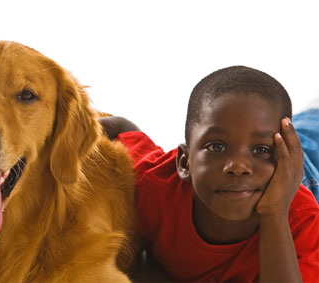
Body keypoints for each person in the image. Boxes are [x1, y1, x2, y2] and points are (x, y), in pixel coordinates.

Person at [100, 66, 319, 282]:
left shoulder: (301, 218)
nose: (238, 166)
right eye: (217, 147)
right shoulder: (153, 185)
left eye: (261, 149)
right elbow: (121, 127)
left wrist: (275, 213)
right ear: (184, 162)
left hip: (306, 174)